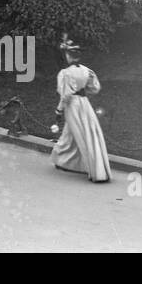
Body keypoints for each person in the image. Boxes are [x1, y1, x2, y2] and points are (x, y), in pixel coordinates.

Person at [51, 39, 112, 183]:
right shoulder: (86, 71)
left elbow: (65, 95)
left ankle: (88, 167)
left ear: (68, 56)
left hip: (72, 104)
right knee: (81, 132)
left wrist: (58, 111)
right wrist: (83, 91)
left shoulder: (65, 73)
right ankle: (67, 161)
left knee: (77, 132)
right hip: (84, 103)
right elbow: (95, 88)